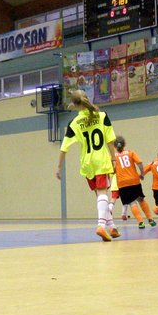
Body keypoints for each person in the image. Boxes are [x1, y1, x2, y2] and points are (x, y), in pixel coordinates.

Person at [56, 90, 119, 242]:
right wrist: (113, 159)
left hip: (87, 163)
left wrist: (58, 167)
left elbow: (64, 147)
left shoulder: (74, 123)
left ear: (76, 104)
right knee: (103, 194)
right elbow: (110, 140)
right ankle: (101, 226)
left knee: (100, 196)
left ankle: (112, 227)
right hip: (100, 160)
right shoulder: (102, 116)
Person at [113, 136, 156, 229]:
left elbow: (112, 170)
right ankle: (150, 219)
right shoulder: (130, 153)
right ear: (124, 144)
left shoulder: (113, 157)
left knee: (132, 203)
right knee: (141, 199)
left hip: (122, 183)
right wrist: (142, 174)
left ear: (115, 146)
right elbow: (139, 163)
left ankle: (141, 222)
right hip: (134, 180)